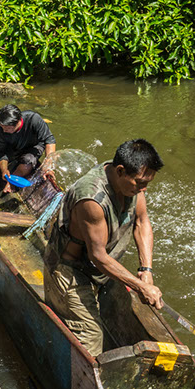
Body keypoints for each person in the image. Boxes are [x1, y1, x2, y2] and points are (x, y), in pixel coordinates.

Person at [42, 138, 164, 357]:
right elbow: (97, 256)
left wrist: (146, 270)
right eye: (139, 183)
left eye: (147, 183)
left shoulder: (133, 184)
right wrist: (140, 287)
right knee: (92, 337)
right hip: (68, 271)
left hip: (95, 270)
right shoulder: (92, 200)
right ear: (120, 171)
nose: (144, 188)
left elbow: (141, 222)